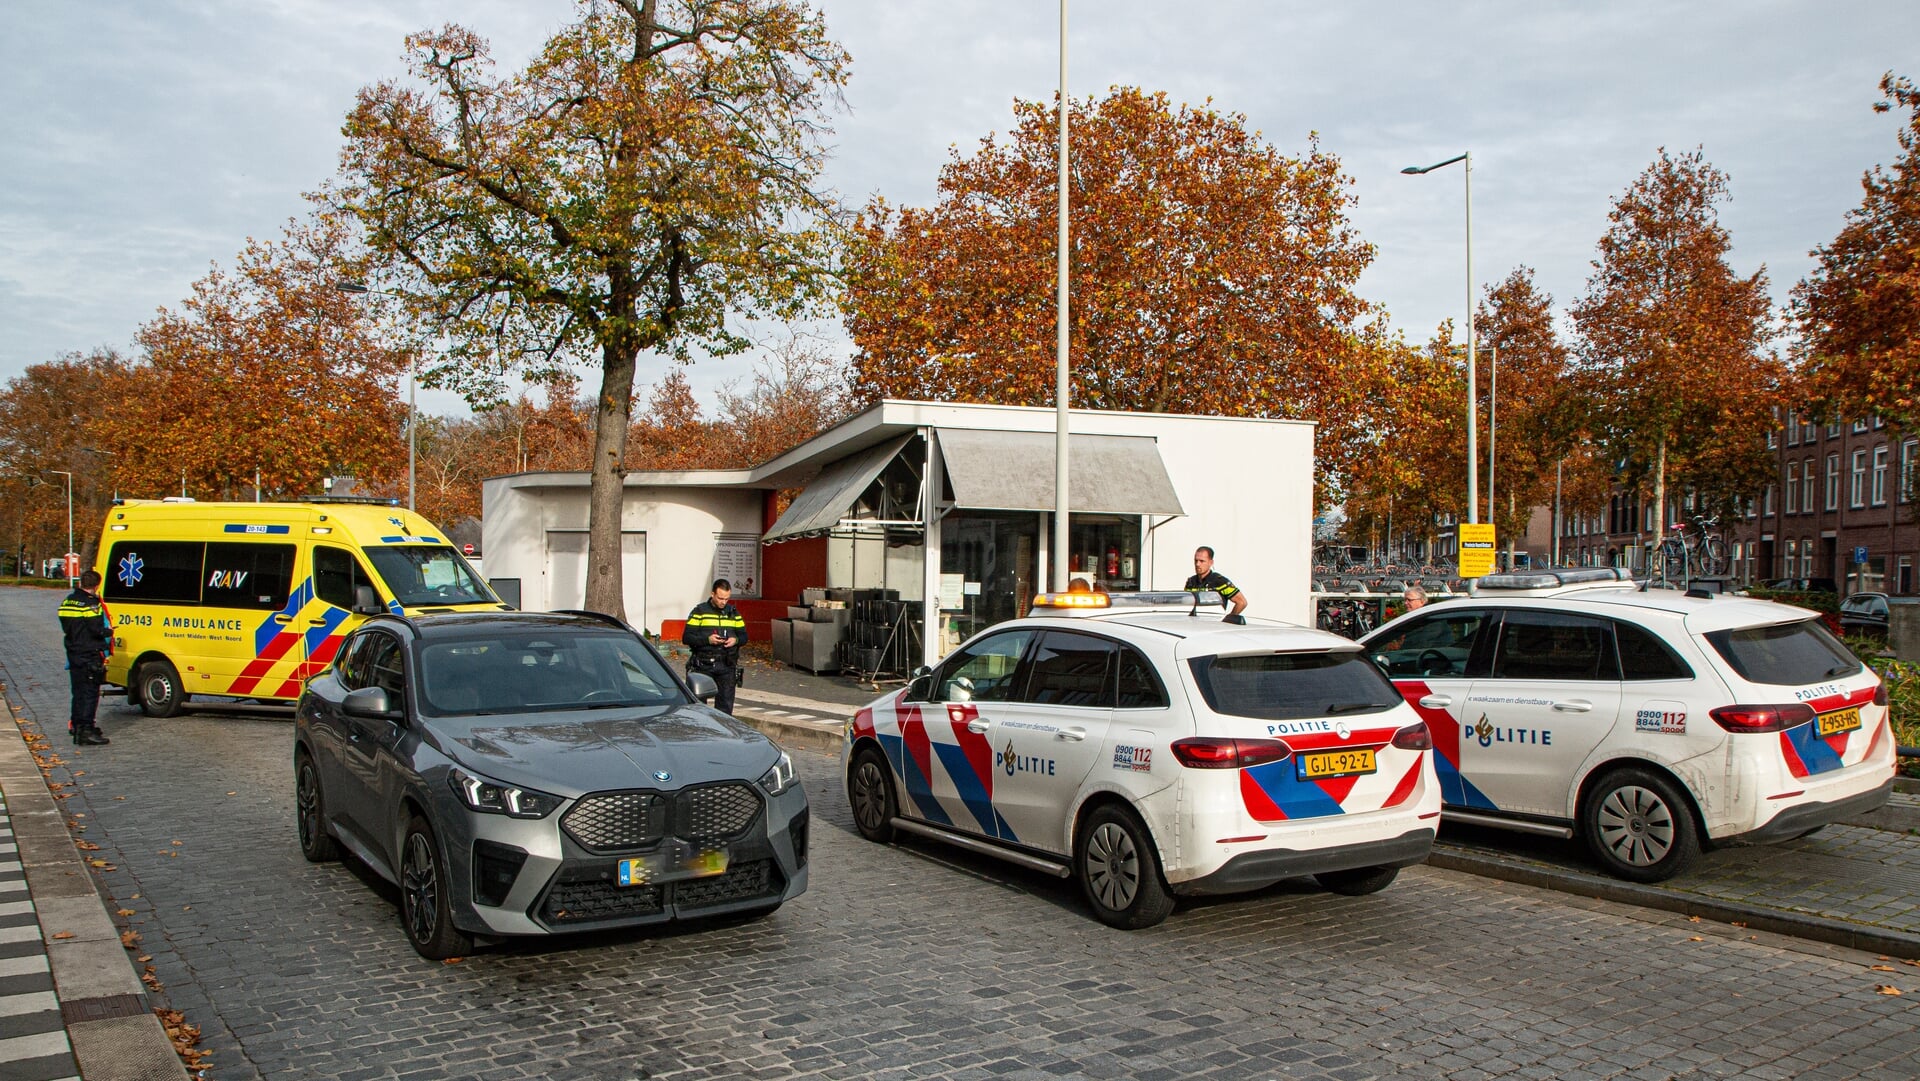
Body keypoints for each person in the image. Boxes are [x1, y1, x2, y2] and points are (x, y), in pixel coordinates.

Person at [58, 569, 112, 746]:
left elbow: (67, 626)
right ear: (97, 585)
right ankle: (86, 730)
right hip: (89, 653)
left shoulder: (68, 601)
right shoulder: (91, 604)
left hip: (73, 652)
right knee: (90, 693)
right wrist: (108, 632)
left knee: (78, 691)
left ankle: (77, 725)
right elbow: (96, 629)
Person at [683, 578, 747, 714]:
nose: (723, 602)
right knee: (698, 707)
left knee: (725, 709)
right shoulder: (699, 611)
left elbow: (744, 637)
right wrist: (708, 640)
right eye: (720, 598)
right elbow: (687, 637)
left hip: (727, 664)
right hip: (703, 664)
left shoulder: (733, 613)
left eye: (727, 599)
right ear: (712, 594)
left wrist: (734, 640)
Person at [1185, 546, 1248, 620]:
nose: (1197, 564)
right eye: (1196, 560)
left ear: (1211, 562)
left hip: (1213, 626)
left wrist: (1229, 619)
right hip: (1193, 626)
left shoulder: (1220, 581)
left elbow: (1242, 602)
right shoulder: (1191, 582)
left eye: (1202, 561)